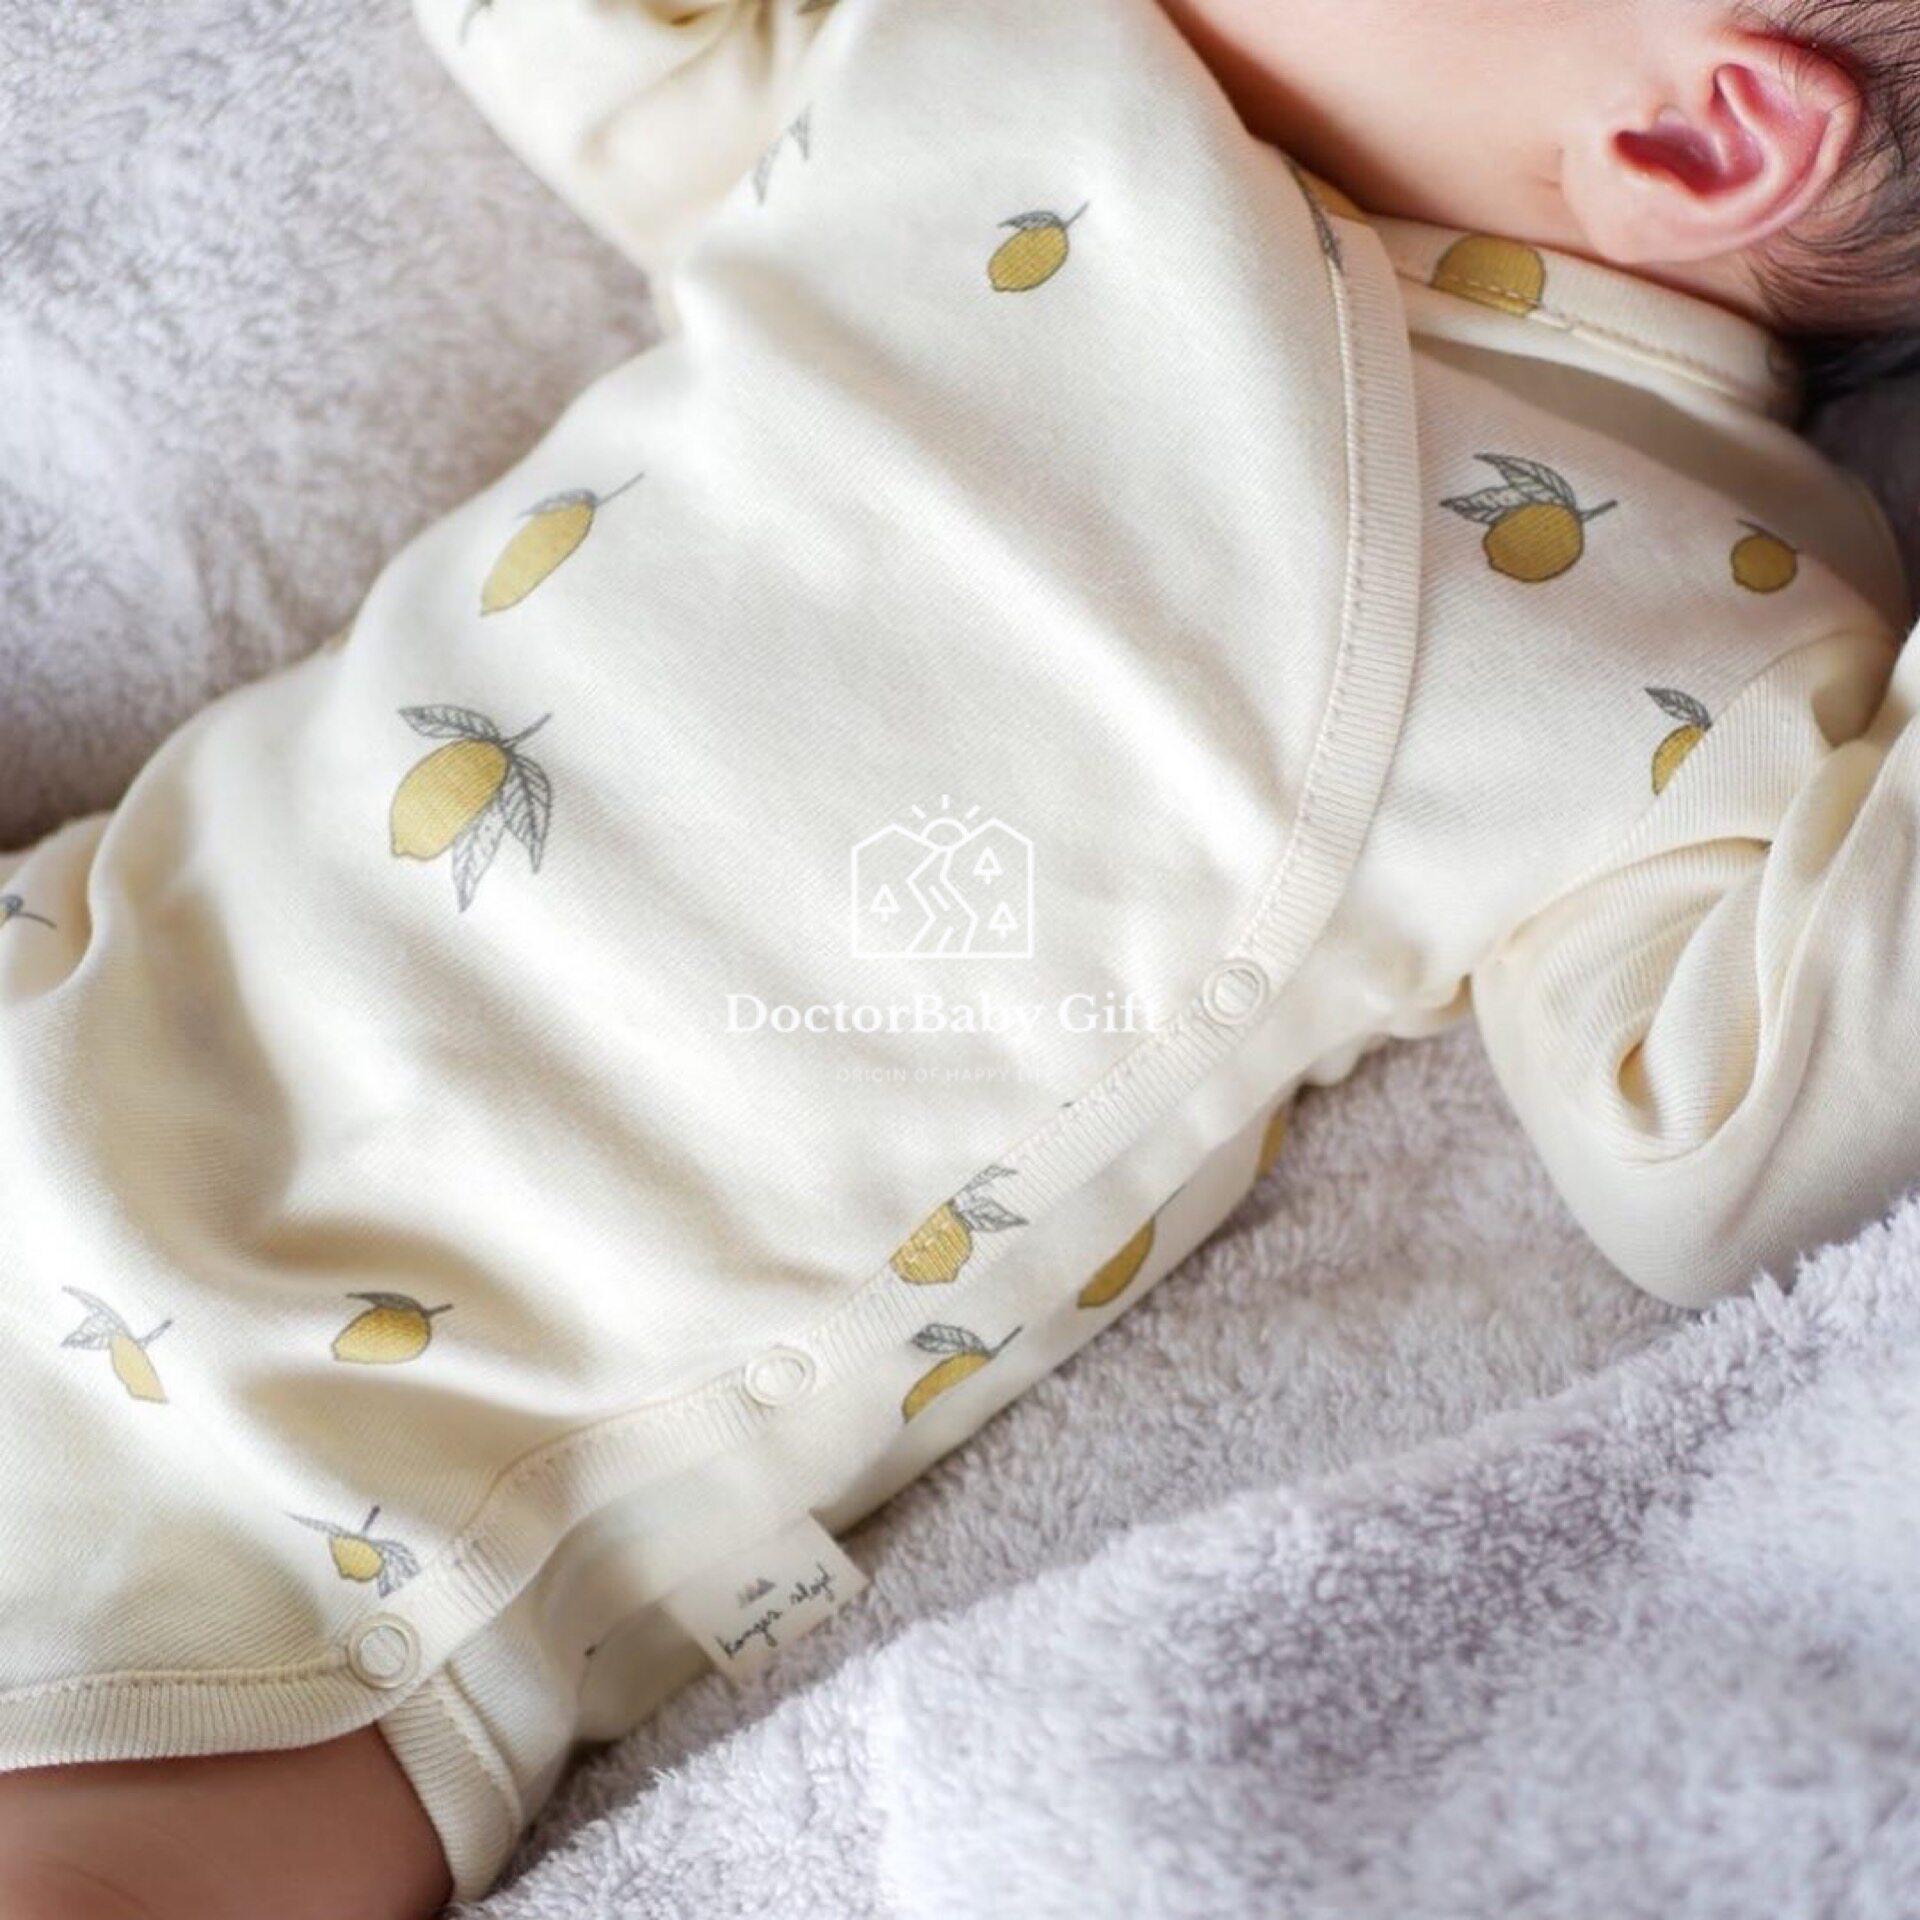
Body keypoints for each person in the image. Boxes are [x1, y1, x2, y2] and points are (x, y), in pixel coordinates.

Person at [1, 0, 1915, 1912]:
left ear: (1703, 136)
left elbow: (1727, 1145)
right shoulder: (1000, 56)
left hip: (337, 1544)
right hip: (80, 1008)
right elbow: (618, 59)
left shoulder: (1693, 609)